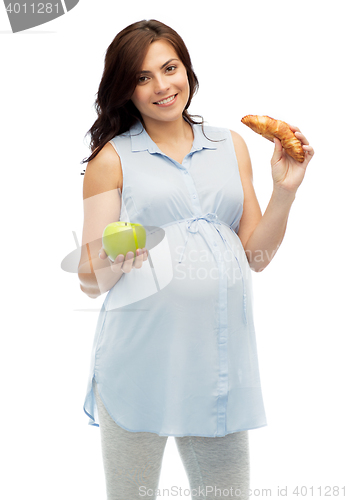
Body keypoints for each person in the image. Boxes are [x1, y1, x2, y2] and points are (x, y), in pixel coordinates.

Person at [78, 19, 314, 500]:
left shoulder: (231, 145)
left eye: (170, 68)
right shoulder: (112, 159)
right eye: (143, 77)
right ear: (125, 89)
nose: (163, 86)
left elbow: (258, 256)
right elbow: (88, 279)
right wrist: (118, 258)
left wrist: (284, 192)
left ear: (187, 69)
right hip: (138, 364)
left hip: (216, 368)